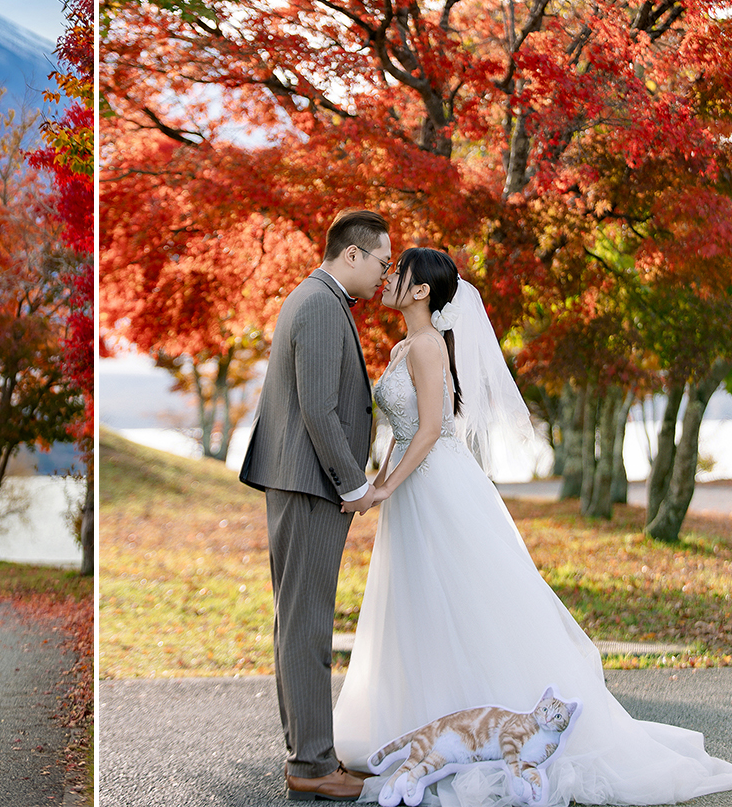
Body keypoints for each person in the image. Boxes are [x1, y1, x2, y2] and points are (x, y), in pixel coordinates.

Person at [331, 248, 732, 806]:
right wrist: (380, 481)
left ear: (422, 290)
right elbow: (402, 435)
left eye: (399, 274)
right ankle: (426, 722)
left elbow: (428, 433)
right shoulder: (405, 346)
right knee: (421, 603)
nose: (389, 279)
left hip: (436, 484)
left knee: (465, 602)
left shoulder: (425, 348)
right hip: (414, 488)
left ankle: (483, 729)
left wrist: (383, 489)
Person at [240, 210, 395, 802]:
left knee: (298, 621)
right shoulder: (322, 305)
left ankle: (309, 753)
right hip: (311, 486)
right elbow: (320, 409)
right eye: (381, 261)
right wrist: (353, 485)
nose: (385, 275)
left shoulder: (316, 300)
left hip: (301, 483)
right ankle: (309, 763)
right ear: (351, 255)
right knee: (307, 625)